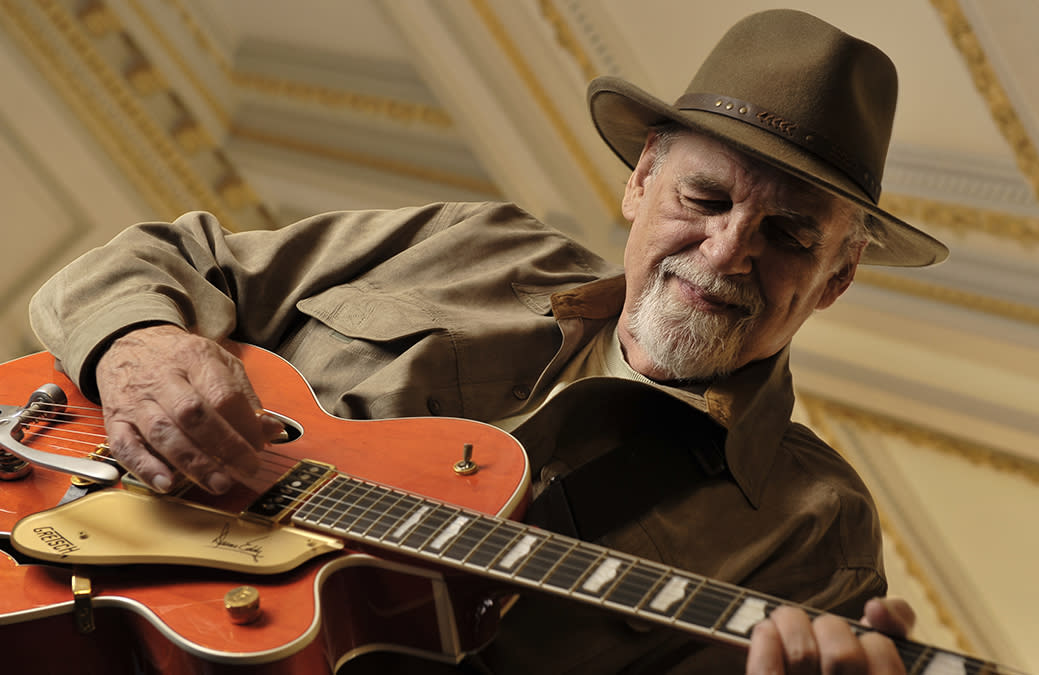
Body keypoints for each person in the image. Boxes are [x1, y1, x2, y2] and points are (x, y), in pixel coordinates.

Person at [28, 9, 946, 674]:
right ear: (641, 182)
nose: (727, 250)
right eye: (705, 199)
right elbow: (177, 258)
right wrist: (135, 343)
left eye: (788, 234)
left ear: (837, 276)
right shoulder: (478, 244)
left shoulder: (817, 530)